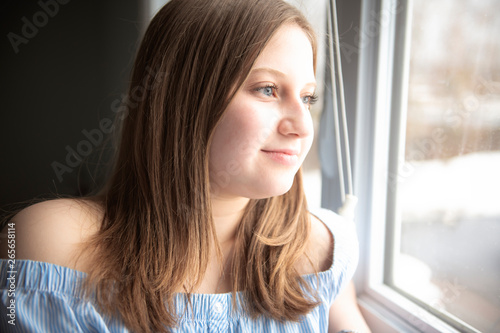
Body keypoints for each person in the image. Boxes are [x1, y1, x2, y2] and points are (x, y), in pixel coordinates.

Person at [0, 0, 371, 332]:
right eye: (267, 89)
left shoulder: (322, 249)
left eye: (308, 98)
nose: (303, 126)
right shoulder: (46, 245)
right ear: (184, 98)